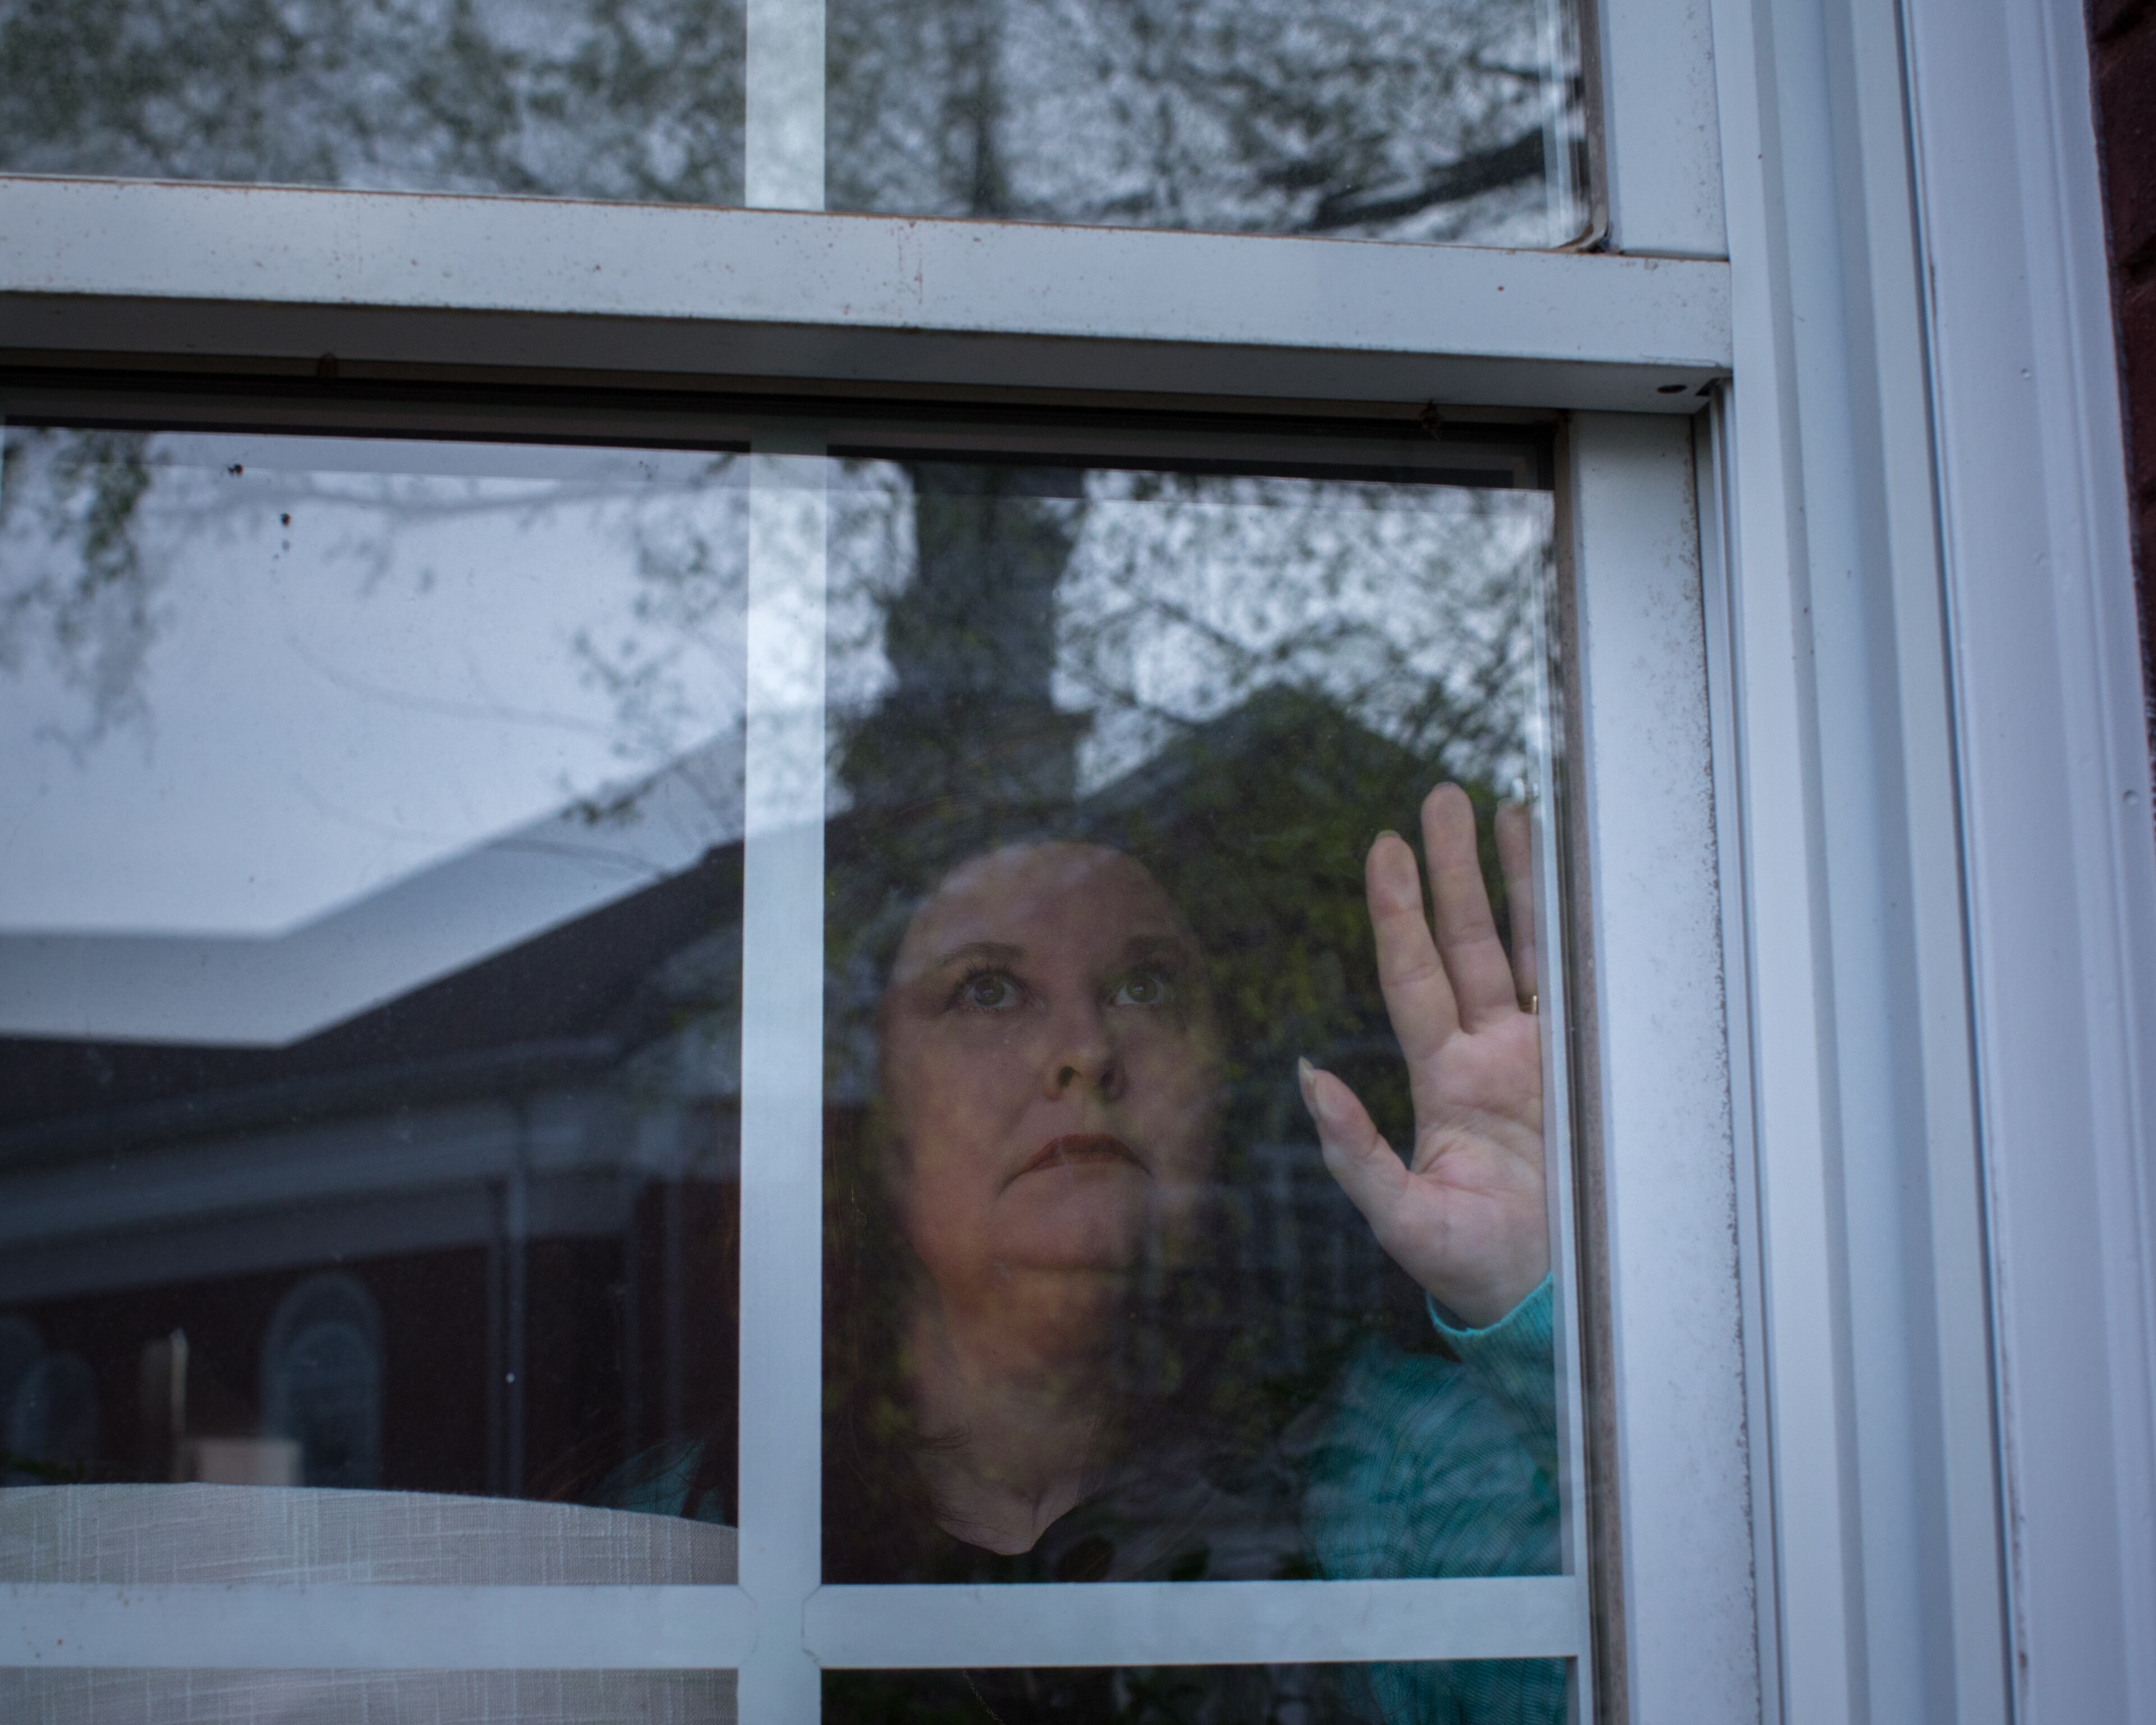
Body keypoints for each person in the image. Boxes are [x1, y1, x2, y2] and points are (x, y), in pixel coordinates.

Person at [628, 785, 1565, 1723]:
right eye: (987, 990)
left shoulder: (1421, 1478)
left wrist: (1537, 1307)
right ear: (869, 1113)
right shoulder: (672, 1538)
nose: (1086, 1048)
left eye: (1146, 987)